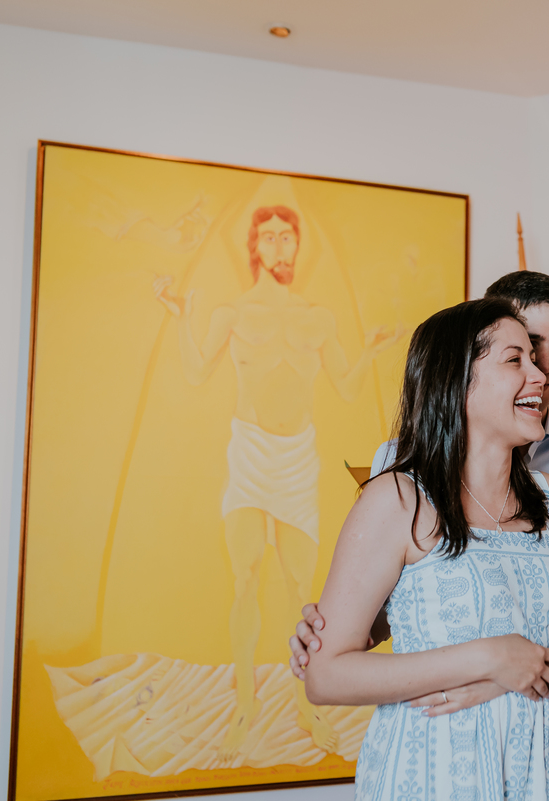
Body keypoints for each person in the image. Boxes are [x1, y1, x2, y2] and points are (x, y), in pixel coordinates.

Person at [290, 271, 549, 797]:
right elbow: (326, 674)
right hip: (436, 768)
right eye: (516, 358)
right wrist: (489, 658)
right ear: (459, 380)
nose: (542, 374)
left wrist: (508, 670)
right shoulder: (397, 494)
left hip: (544, 762)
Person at [152, 205, 394, 758]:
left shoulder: (318, 318)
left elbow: (349, 388)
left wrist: (373, 353)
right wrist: (178, 317)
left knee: (296, 587)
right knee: (245, 578)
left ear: (296, 246)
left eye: (288, 238)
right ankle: (244, 703)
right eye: (270, 238)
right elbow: (195, 370)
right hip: (249, 453)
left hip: (296, 459)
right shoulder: (234, 312)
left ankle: (304, 705)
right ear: (255, 249)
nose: (280, 248)